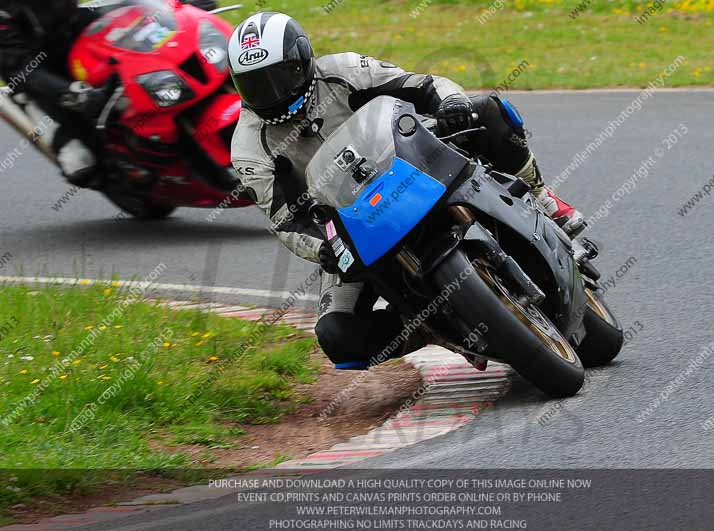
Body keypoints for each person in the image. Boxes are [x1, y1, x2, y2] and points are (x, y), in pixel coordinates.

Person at [227, 11, 585, 369]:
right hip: (349, 226)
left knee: (486, 112)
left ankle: (543, 198)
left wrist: (451, 103)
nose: (272, 94)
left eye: (278, 78)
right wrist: (324, 247)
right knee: (337, 334)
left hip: (413, 159)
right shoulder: (248, 147)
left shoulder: (344, 70)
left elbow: (424, 85)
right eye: (255, 84)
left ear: (303, 60)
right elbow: (285, 221)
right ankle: (430, 327)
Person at [0, 0, 218, 189]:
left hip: (79, 28)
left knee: (155, 35)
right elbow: (19, 67)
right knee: (81, 162)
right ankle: (116, 164)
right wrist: (69, 93)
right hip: (36, 71)